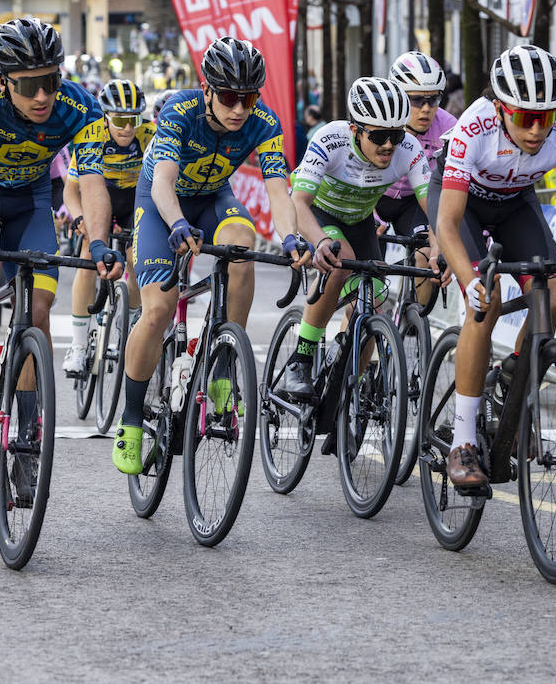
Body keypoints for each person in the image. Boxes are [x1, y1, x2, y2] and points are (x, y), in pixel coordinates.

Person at [0, 18, 124, 467]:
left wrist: (97, 243)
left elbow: (90, 181)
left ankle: (28, 440)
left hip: (30, 201)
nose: (42, 96)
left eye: (50, 81)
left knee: (37, 311)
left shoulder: (80, 108)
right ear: (3, 81)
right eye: (29, 85)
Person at [432, 44, 556, 491]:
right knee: (486, 302)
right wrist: (469, 283)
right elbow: (445, 223)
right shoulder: (474, 128)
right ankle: (462, 441)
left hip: (515, 201)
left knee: (551, 296)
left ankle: (511, 381)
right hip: (462, 204)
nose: (538, 129)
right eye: (525, 117)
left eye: (546, 115)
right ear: (501, 109)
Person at [111, 36, 311, 473]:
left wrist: (291, 236)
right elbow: (162, 181)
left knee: (243, 242)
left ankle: (224, 359)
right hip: (162, 202)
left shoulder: (263, 121)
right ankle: (130, 420)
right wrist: (177, 223)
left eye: (248, 97)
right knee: (158, 309)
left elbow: (279, 189)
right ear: (207, 90)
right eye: (228, 97)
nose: (239, 108)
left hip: (213, 196)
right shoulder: (179, 111)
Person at [276, 78, 437, 404]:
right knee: (339, 264)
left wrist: (440, 247)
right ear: (355, 130)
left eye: (396, 134)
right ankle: (301, 360)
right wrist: (319, 241)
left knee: (375, 306)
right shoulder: (329, 139)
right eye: (379, 136)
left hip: (360, 220)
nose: (389, 145)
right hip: (319, 215)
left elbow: (434, 207)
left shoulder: (408, 148)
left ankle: (345, 397)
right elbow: (299, 201)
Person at [62, 79, 156, 378]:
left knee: (135, 257)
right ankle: (78, 345)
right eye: (119, 120)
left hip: (133, 199)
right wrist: (79, 219)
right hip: (97, 196)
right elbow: (71, 192)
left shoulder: (150, 134)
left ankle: (128, 324)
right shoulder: (92, 136)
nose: (127, 128)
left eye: (133, 120)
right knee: (91, 254)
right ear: (105, 117)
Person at [374, 51, 457, 238]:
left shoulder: (449, 127)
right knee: (368, 259)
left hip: (415, 200)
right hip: (373, 196)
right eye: (417, 100)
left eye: (434, 100)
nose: (426, 109)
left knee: (424, 252)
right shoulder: (377, 120)